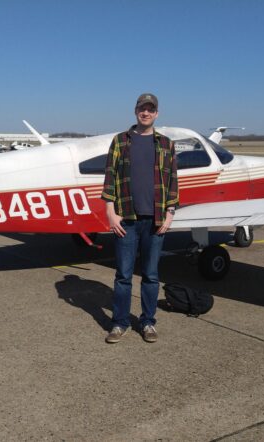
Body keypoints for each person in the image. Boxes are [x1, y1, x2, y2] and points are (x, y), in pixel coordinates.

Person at [101, 93, 179, 344]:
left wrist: (170, 214)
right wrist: (110, 212)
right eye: (142, 109)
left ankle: (148, 322)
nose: (145, 113)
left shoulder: (166, 144)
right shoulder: (120, 141)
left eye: (150, 109)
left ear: (156, 113)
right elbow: (110, 176)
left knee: (151, 275)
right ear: (135, 111)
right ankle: (120, 323)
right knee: (123, 275)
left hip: (156, 220)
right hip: (126, 219)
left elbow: (173, 180)